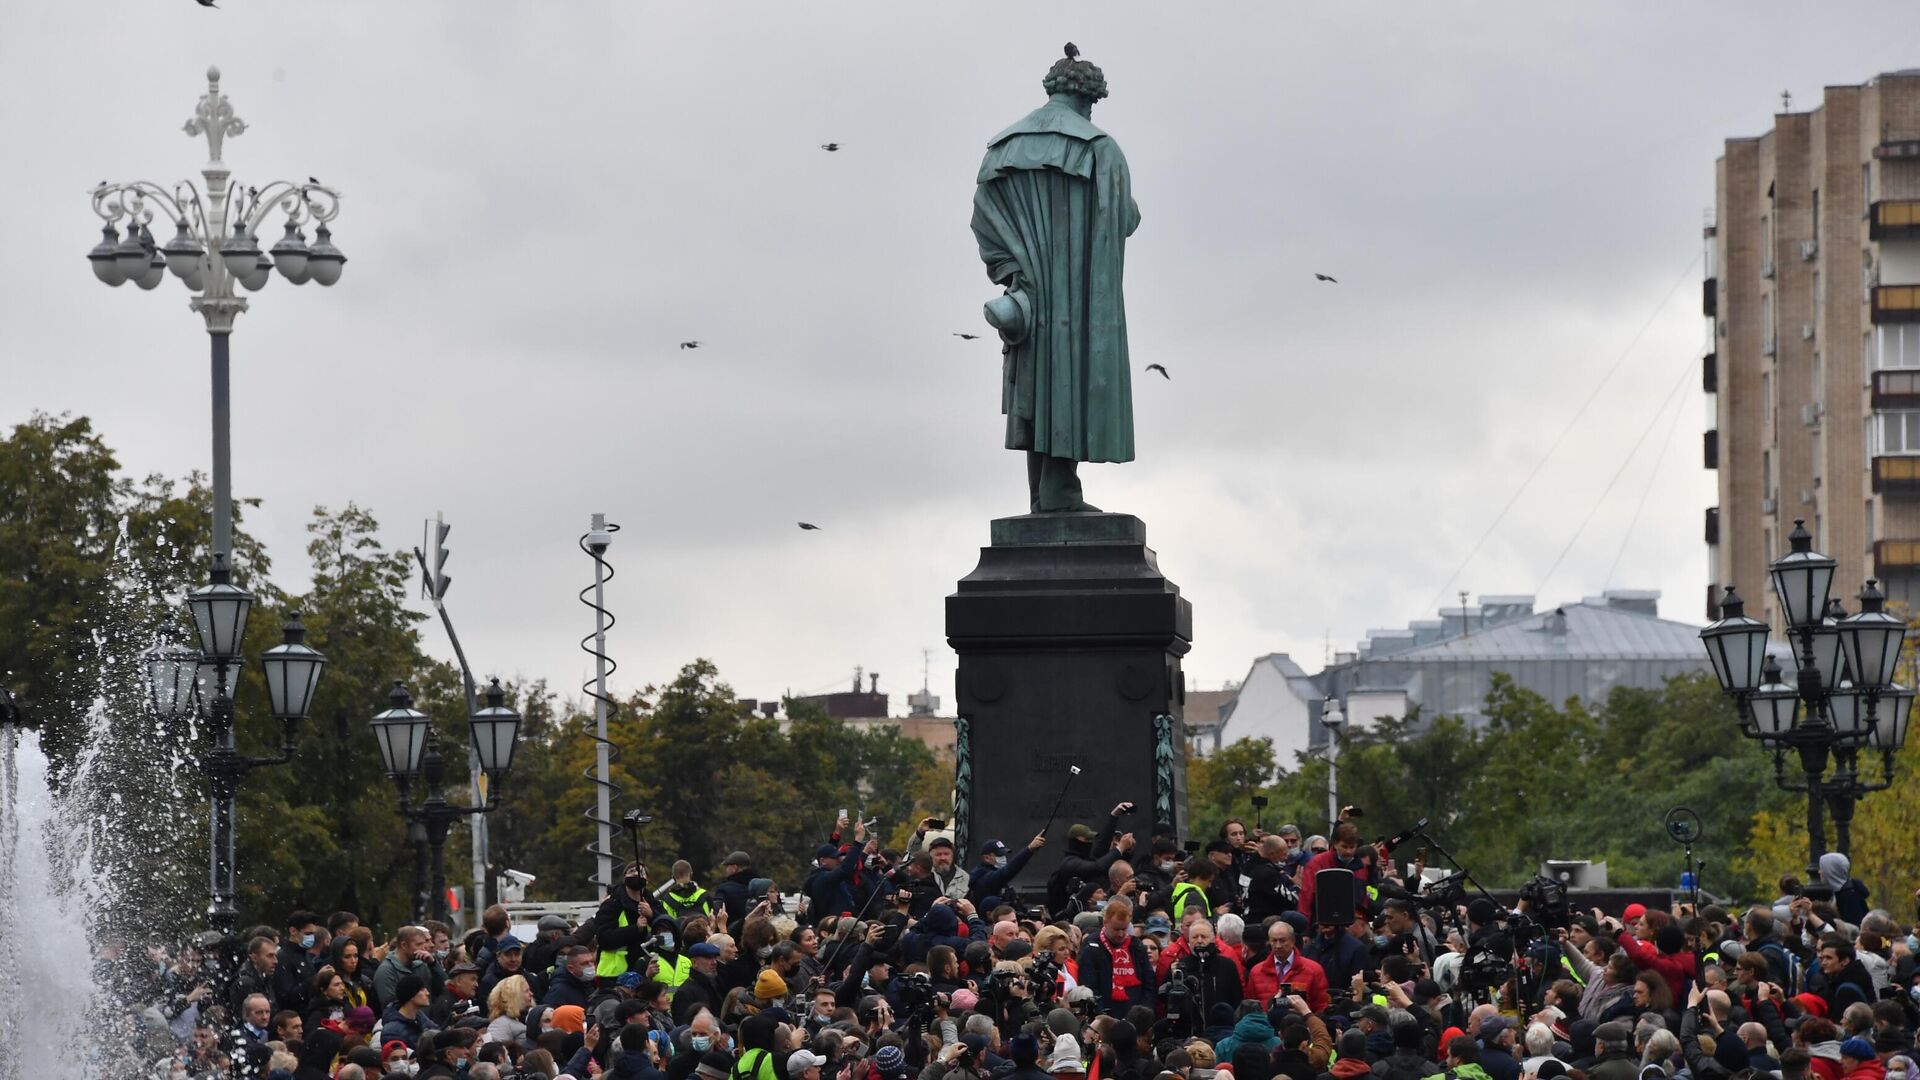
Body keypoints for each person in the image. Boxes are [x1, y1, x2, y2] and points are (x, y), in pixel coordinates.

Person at [1047, 804, 1137, 914]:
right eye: (1086, 839)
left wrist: (1114, 816)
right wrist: (1121, 847)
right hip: (1071, 915)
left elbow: (1102, 844)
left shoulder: (1086, 858)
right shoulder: (1069, 863)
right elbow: (1098, 867)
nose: (1090, 843)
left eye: (1091, 839)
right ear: (1076, 840)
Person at [1077, 901, 1156, 1017]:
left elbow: (1149, 982)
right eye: (1116, 929)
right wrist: (1101, 1014)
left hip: (1135, 1015)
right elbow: (1089, 986)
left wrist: (1144, 1012)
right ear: (1105, 923)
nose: (1120, 934)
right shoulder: (1091, 947)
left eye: (1124, 929)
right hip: (1104, 1015)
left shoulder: (1136, 946)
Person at [1246, 920, 1330, 1014]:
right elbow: (1250, 1007)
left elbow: (1321, 1007)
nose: (1278, 946)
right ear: (1269, 942)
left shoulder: (1313, 970)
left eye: (1282, 940)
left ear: (1293, 941)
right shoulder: (1256, 972)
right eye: (1274, 940)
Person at [969, 834, 1046, 905]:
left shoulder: (992, 874)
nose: (1003, 858)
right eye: (999, 855)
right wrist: (1029, 849)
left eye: (1004, 855)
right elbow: (1008, 870)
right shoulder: (985, 878)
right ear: (987, 858)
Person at [379, 974, 439, 1049]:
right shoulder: (392, 1032)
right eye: (422, 990)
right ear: (411, 995)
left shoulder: (420, 1017)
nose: (427, 993)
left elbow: (439, 1035)